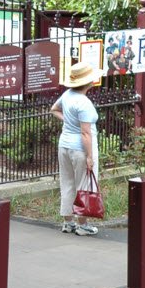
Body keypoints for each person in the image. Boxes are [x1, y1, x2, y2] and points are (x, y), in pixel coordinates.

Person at [49, 61, 101, 236]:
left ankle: (67, 222)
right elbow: (86, 134)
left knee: (68, 182)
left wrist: (68, 121)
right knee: (83, 185)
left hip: (64, 145)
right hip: (80, 149)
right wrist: (89, 157)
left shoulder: (68, 95)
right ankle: (82, 224)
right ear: (87, 82)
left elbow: (54, 109)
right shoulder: (84, 103)